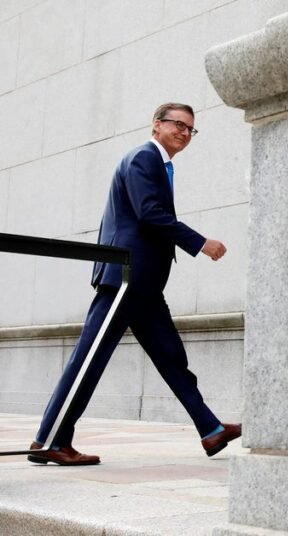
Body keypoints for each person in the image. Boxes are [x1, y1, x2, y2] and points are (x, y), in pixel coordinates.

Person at [27, 103, 241, 465]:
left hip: (144, 284)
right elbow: (150, 213)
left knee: (172, 358)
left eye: (191, 129)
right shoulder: (144, 157)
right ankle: (51, 440)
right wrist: (200, 243)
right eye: (178, 125)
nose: (185, 133)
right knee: (89, 359)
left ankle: (210, 430)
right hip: (125, 279)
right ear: (157, 125)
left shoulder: (159, 163)